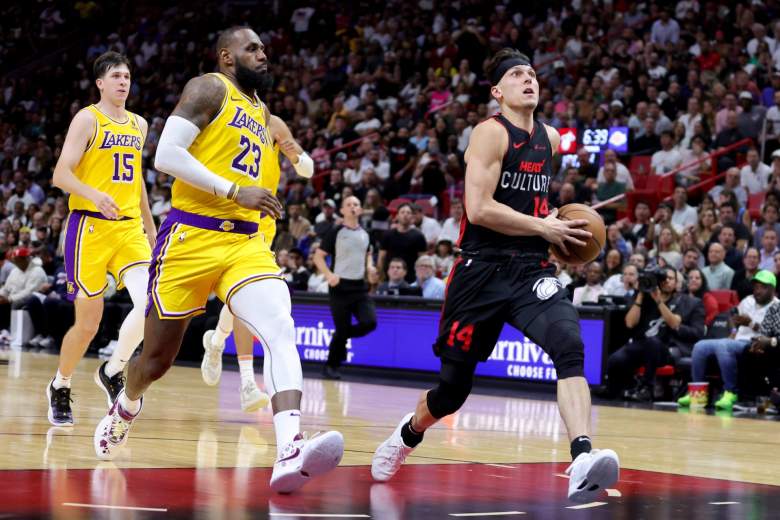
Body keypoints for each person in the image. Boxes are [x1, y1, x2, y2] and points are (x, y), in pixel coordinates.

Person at [92, 27, 343, 494]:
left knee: (280, 327)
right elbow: (166, 155)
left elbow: (286, 154)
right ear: (227, 56)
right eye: (253, 48)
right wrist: (233, 190)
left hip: (244, 242)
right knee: (155, 362)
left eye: (264, 48)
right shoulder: (210, 87)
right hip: (190, 237)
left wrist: (293, 161)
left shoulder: (262, 112)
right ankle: (126, 405)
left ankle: (289, 448)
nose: (263, 54)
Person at [371, 49, 619, 503]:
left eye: (532, 73)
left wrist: (554, 226)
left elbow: (533, 204)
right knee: (451, 392)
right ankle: (407, 435)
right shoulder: (489, 133)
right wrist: (542, 226)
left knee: (569, 344)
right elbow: (480, 208)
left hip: (530, 269)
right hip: (480, 270)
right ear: (497, 91)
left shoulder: (550, 138)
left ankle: (582, 456)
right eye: (517, 74)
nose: (528, 80)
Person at [48, 52, 156, 427]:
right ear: (100, 83)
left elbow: (136, 178)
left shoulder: (140, 124)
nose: (123, 82)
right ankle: (60, 384)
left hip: (128, 229)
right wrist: (94, 195)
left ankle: (112, 369)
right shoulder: (87, 119)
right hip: (90, 228)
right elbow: (61, 174)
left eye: (127, 76)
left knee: (151, 303)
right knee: (88, 326)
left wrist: (150, 225)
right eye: (115, 76)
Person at [200, 113, 311, 413]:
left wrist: (296, 154)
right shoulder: (223, 113)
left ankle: (246, 380)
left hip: (261, 224)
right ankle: (217, 342)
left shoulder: (274, 123)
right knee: (237, 299)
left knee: (243, 299)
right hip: (225, 215)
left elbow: (308, 169)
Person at [678, 270, 778, 411]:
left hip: (753, 343)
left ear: (773, 289)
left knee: (723, 346)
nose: (758, 291)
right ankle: (698, 392)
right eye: (756, 287)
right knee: (700, 346)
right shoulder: (748, 300)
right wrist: (733, 332)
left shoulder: (776, 306)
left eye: (763, 287)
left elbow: (771, 335)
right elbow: (733, 316)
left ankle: (730, 392)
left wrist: (750, 324)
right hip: (737, 340)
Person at [606, 267, 705, 401]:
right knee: (615, 359)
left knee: (652, 343)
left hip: (667, 348)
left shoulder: (684, 302)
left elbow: (674, 324)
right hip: (643, 345)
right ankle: (614, 391)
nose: (667, 281)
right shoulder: (645, 298)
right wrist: (640, 295)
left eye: (670, 278)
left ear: (677, 283)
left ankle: (647, 388)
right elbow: (629, 323)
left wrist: (658, 300)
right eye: (664, 278)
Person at [313, 196, 377, 380]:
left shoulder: (366, 233)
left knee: (370, 322)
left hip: (359, 287)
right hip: (339, 287)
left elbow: (368, 254)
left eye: (356, 204)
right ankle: (330, 366)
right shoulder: (336, 231)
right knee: (342, 328)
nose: (352, 207)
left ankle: (341, 336)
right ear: (342, 210)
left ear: (361, 209)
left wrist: (370, 267)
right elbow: (318, 256)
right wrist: (328, 275)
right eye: (348, 204)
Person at [378, 202, 426, 283]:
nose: (405, 215)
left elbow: (422, 260)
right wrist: (380, 276)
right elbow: (381, 258)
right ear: (397, 216)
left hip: (411, 279)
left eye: (408, 213)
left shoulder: (418, 236)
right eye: (402, 212)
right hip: (389, 278)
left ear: (412, 217)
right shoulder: (387, 235)